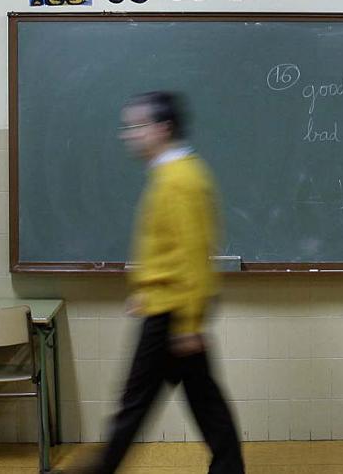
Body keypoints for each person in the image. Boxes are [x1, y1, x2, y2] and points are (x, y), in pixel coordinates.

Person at [86, 91, 244, 474]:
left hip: (172, 316)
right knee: (205, 405)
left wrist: (188, 324)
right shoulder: (173, 173)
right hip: (168, 307)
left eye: (137, 126)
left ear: (163, 128)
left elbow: (193, 255)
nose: (129, 134)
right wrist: (146, 291)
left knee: (135, 406)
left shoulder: (179, 180)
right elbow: (171, 250)